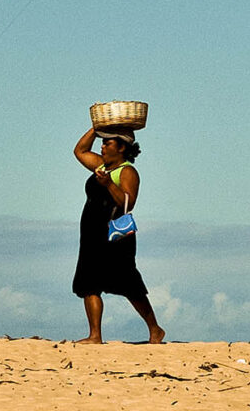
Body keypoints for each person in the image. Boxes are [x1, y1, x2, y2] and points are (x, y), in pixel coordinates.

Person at [71, 126, 165, 344]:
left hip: (116, 234)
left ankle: (155, 329)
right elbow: (80, 151)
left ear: (122, 147)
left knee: (127, 281)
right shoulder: (101, 166)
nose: (102, 147)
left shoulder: (127, 171)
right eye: (103, 143)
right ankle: (95, 335)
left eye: (108, 143)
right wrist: (96, 129)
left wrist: (107, 185)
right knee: (88, 281)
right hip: (92, 232)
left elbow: (128, 202)